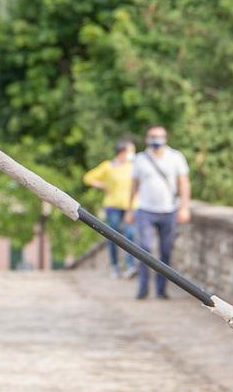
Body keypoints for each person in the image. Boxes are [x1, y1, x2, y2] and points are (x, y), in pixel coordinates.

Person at [130, 124, 191, 300]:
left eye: (159, 136)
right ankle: (142, 289)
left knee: (165, 251)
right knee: (144, 249)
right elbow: (134, 185)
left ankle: (161, 290)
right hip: (145, 210)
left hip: (169, 210)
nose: (156, 140)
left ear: (166, 137)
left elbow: (184, 183)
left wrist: (184, 207)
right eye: (153, 136)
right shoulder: (140, 159)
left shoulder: (176, 157)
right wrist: (129, 208)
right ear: (147, 139)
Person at [82, 137, 139, 278]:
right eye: (131, 150)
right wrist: (102, 185)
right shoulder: (108, 166)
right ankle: (115, 266)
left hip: (130, 206)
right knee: (112, 236)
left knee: (130, 234)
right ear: (123, 151)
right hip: (112, 206)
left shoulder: (133, 166)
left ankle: (130, 266)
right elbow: (88, 177)